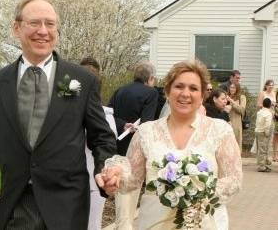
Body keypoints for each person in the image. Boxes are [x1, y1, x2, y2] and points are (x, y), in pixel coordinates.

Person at [0, 0, 117, 230]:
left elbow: (103, 137)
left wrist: (104, 169)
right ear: (16, 28)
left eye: (50, 24)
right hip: (17, 203)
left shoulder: (82, 80)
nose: (43, 31)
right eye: (35, 23)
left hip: (67, 205)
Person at [102, 60, 242, 230]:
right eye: (179, 86)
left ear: (203, 94)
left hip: (201, 222)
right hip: (154, 222)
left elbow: (234, 179)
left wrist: (195, 189)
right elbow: (132, 179)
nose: (185, 93)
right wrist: (117, 175)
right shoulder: (146, 132)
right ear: (168, 91)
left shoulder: (220, 130)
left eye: (193, 88)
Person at [80, 57, 118, 230]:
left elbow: (106, 144)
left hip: (92, 179)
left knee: (92, 224)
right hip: (66, 180)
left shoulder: (104, 116)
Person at [108, 63, 159, 156]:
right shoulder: (152, 93)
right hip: (136, 144)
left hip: (117, 141)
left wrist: (123, 124)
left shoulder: (120, 90)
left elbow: (109, 115)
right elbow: (147, 123)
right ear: (151, 78)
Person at [256, 80, 278, 161]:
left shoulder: (274, 93)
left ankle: (268, 158)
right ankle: (261, 160)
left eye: (272, 85)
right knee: (263, 139)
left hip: (272, 117)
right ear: (266, 86)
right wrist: (268, 105)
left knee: (270, 138)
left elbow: (275, 105)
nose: (271, 87)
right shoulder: (262, 93)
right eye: (269, 85)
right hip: (264, 117)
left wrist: (275, 105)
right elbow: (258, 105)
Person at [255, 98, 273, 172]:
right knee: (263, 149)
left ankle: (261, 164)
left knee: (260, 148)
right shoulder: (268, 113)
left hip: (257, 131)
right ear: (270, 105)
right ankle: (262, 166)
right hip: (263, 132)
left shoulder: (259, 112)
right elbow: (268, 124)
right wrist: (267, 133)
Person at [226, 83, 246, 149]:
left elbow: (242, 110)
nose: (232, 89)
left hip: (236, 124)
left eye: (234, 87)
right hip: (226, 123)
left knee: (236, 145)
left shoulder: (242, 97)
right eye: (231, 87)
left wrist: (231, 101)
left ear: (237, 89)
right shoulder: (226, 96)